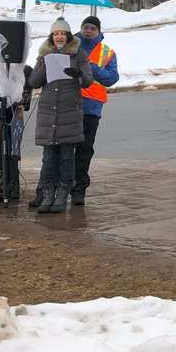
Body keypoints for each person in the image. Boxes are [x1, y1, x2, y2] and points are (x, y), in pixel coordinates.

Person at [28, 19, 93, 214]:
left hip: (68, 113)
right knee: (48, 157)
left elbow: (88, 81)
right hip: (49, 113)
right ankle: (47, 194)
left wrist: (77, 74)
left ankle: (62, 195)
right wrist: (46, 64)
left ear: (68, 36)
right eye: (56, 34)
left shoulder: (79, 54)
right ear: (51, 37)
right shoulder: (44, 55)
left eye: (63, 34)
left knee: (66, 157)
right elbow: (34, 81)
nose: (59, 37)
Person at [72, 15, 119, 206]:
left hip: (91, 107)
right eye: (86, 27)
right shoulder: (70, 46)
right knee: (64, 148)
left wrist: (92, 68)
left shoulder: (107, 52)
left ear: (98, 31)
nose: (88, 31)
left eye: (92, 28)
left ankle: (79, 189)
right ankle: (60, 186)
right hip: (69, 104)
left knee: (84, 149)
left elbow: (112, 78)